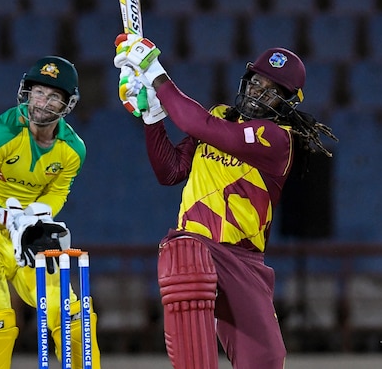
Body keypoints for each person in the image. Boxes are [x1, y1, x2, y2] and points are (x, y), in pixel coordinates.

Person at [114, 34, 337, 369]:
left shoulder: (277, 140)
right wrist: (152, 117)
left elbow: (194, 122)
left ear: (286, 104)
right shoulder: (220, 115)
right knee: (187, 253)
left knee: (267, 360)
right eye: (257, 82)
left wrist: (155, 73)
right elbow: (170, 171)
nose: (259, 93)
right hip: (195, 245)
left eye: (272, 92)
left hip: (244, 260)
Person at [0, 56, 101, 369]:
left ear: (67, 104)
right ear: (26, 92)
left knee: (72, 313)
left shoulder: (73, 150)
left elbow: (58, 190)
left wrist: (40, 213)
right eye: (39, 92)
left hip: (28, 236)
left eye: (54, 96)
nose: (43, 102)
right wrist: (4, 214)